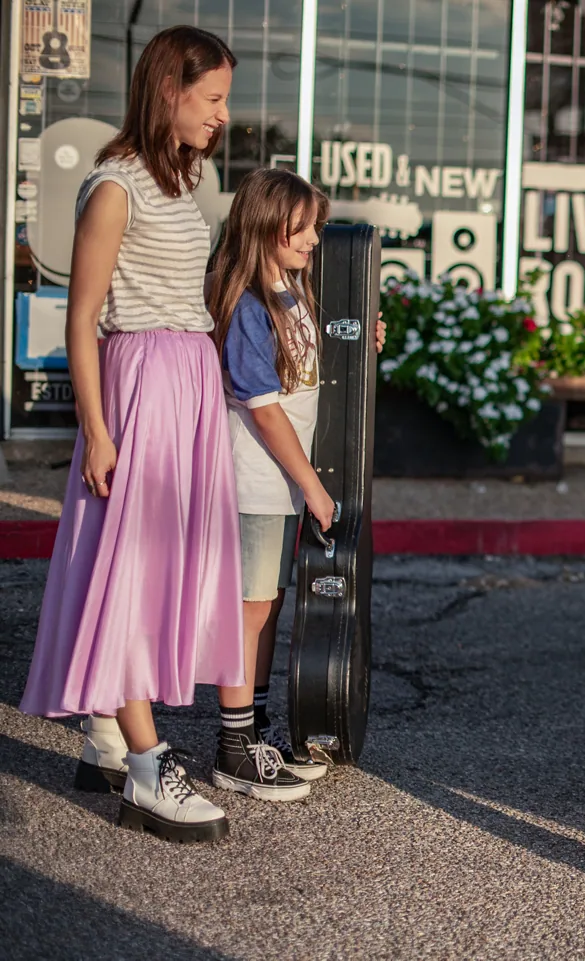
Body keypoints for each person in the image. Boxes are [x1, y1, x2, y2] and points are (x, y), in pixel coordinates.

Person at [19, 25, 251, 841]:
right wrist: (98, 426)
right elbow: (82, 316)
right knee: (130, 566)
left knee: (160, 566)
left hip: (185, 377)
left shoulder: (178, 179)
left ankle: (108, 736)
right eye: (212, 98)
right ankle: (148, 770)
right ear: (167, 92)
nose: (223, 114)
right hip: (140, 383)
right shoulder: (115, 185)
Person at [207, 167, 384, 794]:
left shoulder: (291, 290)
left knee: (268, 605)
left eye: (316, 226)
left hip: (280, 483)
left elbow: (307, 368)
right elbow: (263, 405)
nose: (313, 238)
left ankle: (250, 729)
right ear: (264, 227)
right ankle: (233, 746)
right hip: (257, 481)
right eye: (301, 227)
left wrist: (365, 339)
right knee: (248, 613)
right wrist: (312, 484)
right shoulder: (249, 302)